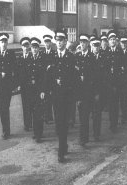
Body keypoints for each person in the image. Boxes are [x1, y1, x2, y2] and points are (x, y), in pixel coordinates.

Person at [43, 30, 78, 163]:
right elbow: (47, 76)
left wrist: (65, 82)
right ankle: (63, 145)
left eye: (61, 40)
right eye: (56, 40)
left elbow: (74, 78)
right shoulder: (51, 56)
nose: (58, 42)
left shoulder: (70, 56)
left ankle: (61, 150)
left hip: (67, 96)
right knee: (59, 123)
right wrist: (46, 90)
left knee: (64, 122)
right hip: (56, 96)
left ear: (65, 42)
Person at [0, 33, 17, 140]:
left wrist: (15, 84)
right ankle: (5, 130)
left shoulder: (11, 54)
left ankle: (7, 130)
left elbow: (15, 69)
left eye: (5, 42)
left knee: (5, 107)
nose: (4, 44)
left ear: (7, 43)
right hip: (0, 86)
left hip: (8, 85)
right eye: (2, 42)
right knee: (2, 108)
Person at [75, 34, 96, 146]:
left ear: (88, 43)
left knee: (85, 116)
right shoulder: (77, 56)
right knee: (81, 115)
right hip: (79, 92)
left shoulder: (92, 57)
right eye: (81, 42)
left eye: (84, 42)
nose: (82, 44)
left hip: (88, 91)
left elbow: (94, 75)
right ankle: (83, 137)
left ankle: (84, 138)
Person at [24, 37, 45, 143]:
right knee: (32, 111)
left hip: (39, 90)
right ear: (30, 48)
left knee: (38, 112)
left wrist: (42, 90)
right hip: (30, 90)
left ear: (39, 49)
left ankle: (39, 134)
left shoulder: (42, 59)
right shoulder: (28, 58)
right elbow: (25, 74)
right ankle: (36, 132)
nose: (34, 50)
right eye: (33, 47)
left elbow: (44, 77)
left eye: (36, 47)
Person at [106, 30, 123, 133]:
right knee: (110, 103)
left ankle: (114, 124)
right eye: (110, 39)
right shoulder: (106, 52)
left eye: (114, 39)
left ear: (116, 41)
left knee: (115, 104)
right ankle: (111, 122)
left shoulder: (119, 52)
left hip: (117, 83)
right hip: (108, 83)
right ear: (108, 41)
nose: (112, 41)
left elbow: (122, 68)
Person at [91, 37, 108, 141]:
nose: (95, 48)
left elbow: (105, 76)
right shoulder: (88, 57)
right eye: (94, 45)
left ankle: (96, 133)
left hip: (99, 90)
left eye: (97, 46)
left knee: (97, 113)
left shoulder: (103, 58)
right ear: (91, 46)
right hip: (88, 90)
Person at [17, 37, 31, 131]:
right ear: (21, 47)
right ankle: (27, 124)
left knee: (31, 105)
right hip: (23, 85)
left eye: (27, 45)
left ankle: (31, 123)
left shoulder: (32, 57)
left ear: (29, 46)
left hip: (31, 85)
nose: (25, 48)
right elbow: (17, 73)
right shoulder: (19, 58)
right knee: (25, 104)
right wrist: (18, 84)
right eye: (23, 46)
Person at [42, 34, 54, 124]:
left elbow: (56, 64)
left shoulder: (54, 53)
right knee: (45, 98)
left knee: (52, 97)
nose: (47, 44)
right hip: (44, 78)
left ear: (51, 43)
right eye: (45, 42)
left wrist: (51, 66)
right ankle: (46, 116)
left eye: (48, 42)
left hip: (52, 79)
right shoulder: (42, 53)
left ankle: (50, 116)